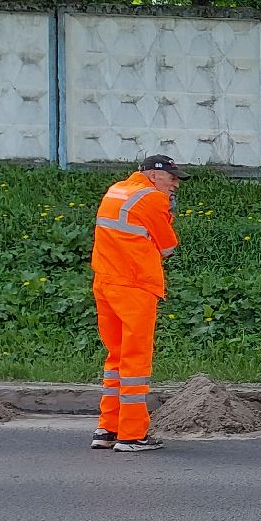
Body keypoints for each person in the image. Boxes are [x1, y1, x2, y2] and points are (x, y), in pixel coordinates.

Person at [90, 155, 184, 452]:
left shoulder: (116, 189)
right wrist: (167, 213)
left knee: (115, 358)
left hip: (106, 282)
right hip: (134, 286)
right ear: (154, 176)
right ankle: (131, 436)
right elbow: (168, 247)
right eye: (172, 178)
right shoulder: (152, 199)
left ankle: (107, 429)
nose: (175, 184)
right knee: (135, 360)